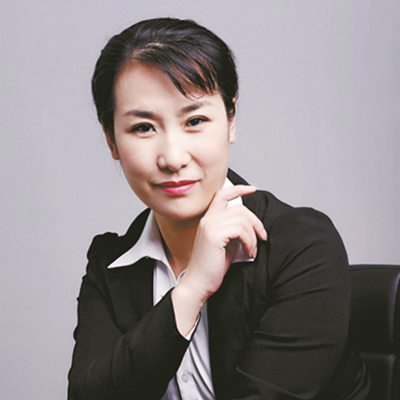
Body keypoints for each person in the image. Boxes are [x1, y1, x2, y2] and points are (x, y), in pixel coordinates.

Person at [67, 17, 370, 400]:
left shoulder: (303, 247)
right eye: (143, 128)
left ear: (230, 119)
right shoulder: (110, 263)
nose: (173, 157)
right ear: (111, 140)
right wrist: (191, 289)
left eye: (195, 121)